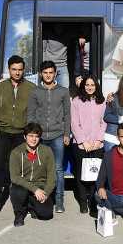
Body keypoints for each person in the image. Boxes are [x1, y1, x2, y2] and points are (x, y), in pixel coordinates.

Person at [0, 55, 36, 217]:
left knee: (21, 170)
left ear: (23, 70)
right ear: (9, 69)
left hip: (21, 134)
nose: (17, 72)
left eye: (20, 70)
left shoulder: (31, 88)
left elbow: (33, 111)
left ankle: (23, 205)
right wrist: (3, 121)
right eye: (14, 69)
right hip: (3, 133)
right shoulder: (1, 87)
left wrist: (26, 129)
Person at [27, 61, 71, 212]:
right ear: (40, 74)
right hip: (40, 138)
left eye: (50, 72)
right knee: (40, 169)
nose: (48, 75)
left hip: (58, 135)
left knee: (58, 169)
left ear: (55, 73)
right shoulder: (35, 92)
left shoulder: (63, 91)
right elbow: (31, 115)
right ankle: (43, 199)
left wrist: (66, 133)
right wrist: (31, 136)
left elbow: (67, 114)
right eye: (45, 72)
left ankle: (59, 202)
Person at [71, 75, 107, 215]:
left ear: (96, 86)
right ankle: (82, 202)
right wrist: (82, 141)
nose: (90, 87)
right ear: (83, 86)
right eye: (87, 84)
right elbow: (74, 123)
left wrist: (98, 140)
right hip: (81, 144)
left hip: (97, 144)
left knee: (94, 174)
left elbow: (103, 122)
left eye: (92, 84)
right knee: (80, 174)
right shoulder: (76, 101)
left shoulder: (101, 102)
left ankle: (93, 202)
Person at [9, 123, 55, 227]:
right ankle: (19, 214)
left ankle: (31, 205)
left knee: (46, 214)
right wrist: (34, 189)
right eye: (30, 136)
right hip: (23, 186)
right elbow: (14, 177)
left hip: (40, 187)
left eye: (37, 136)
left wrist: (46, 193)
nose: (34, 139)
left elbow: (52, 177)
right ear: (25, 136)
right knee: (18, 191)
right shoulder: (16, 152)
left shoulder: (47, 151)